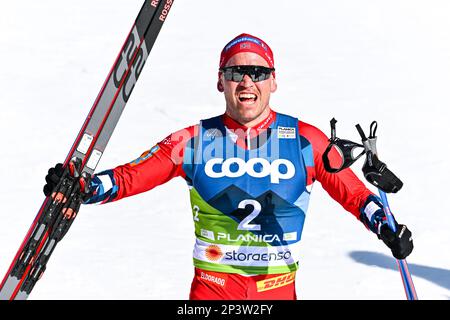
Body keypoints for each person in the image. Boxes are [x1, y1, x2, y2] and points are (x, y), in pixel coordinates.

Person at [44, 33, 413, 300]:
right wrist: (84, 187)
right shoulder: (193, 141)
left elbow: (354, 194)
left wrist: (387, 227)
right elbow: (133, 176)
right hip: (212, 294)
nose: (247, 81)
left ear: (274, 81)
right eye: (236, 73)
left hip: (277, 291)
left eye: (258, 72)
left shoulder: (305, 141)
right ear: (220, 81)